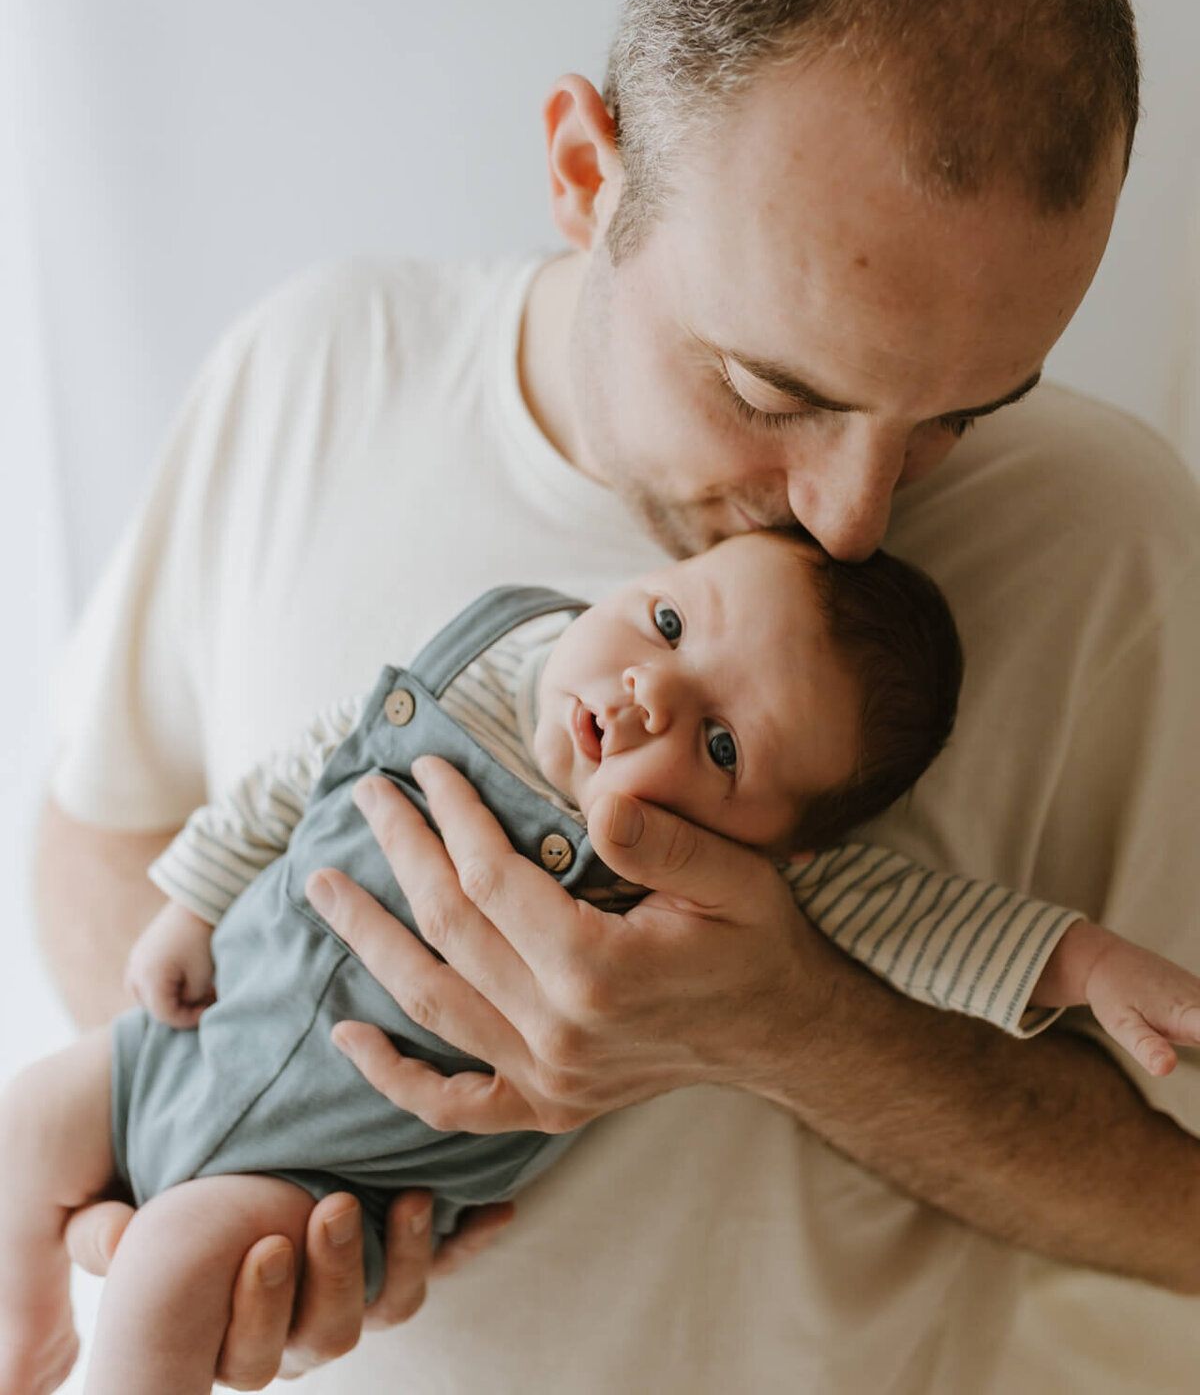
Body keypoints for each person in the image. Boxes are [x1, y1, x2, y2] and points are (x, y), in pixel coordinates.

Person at [35, 0, 1200, 1394]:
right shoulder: (317, 367)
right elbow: (99, 826)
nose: (854, 516)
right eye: (771, 387)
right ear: (589, 170)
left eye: (961, 415)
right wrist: (199, 1142)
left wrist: (793, 1030)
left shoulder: (1123, 547)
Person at [10, 534, 1200, 1393]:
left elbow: (925, 922)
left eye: (721, 744)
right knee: (24, 1123)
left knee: (167, 1274)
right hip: (182, 1051)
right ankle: (26, 1344)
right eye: (670, 626)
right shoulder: (485, 659)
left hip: (315, 1169)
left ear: (771, 841)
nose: (651, 693)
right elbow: (304, 771)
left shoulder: (713, 880)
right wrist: (190, 899)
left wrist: (1084, 961)